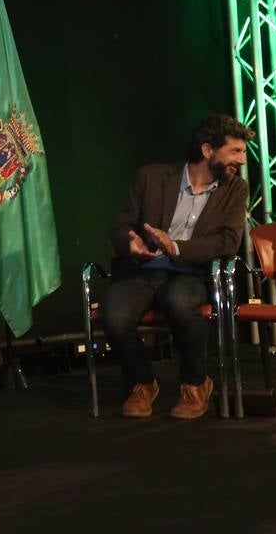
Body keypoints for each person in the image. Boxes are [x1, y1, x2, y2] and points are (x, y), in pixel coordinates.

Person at [102, 114, 251, 419]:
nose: (243, 160)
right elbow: (121, 226)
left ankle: (195, 384)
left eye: (243, 152)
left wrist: (177, 247)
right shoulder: (152, 177)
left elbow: (227, 242)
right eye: (235, 151)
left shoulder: (236, 189)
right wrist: (130, 242)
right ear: (208, 150)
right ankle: (142, 383)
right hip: (144, 268)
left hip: (192, 271)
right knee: (114, 316)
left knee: (179, 300)